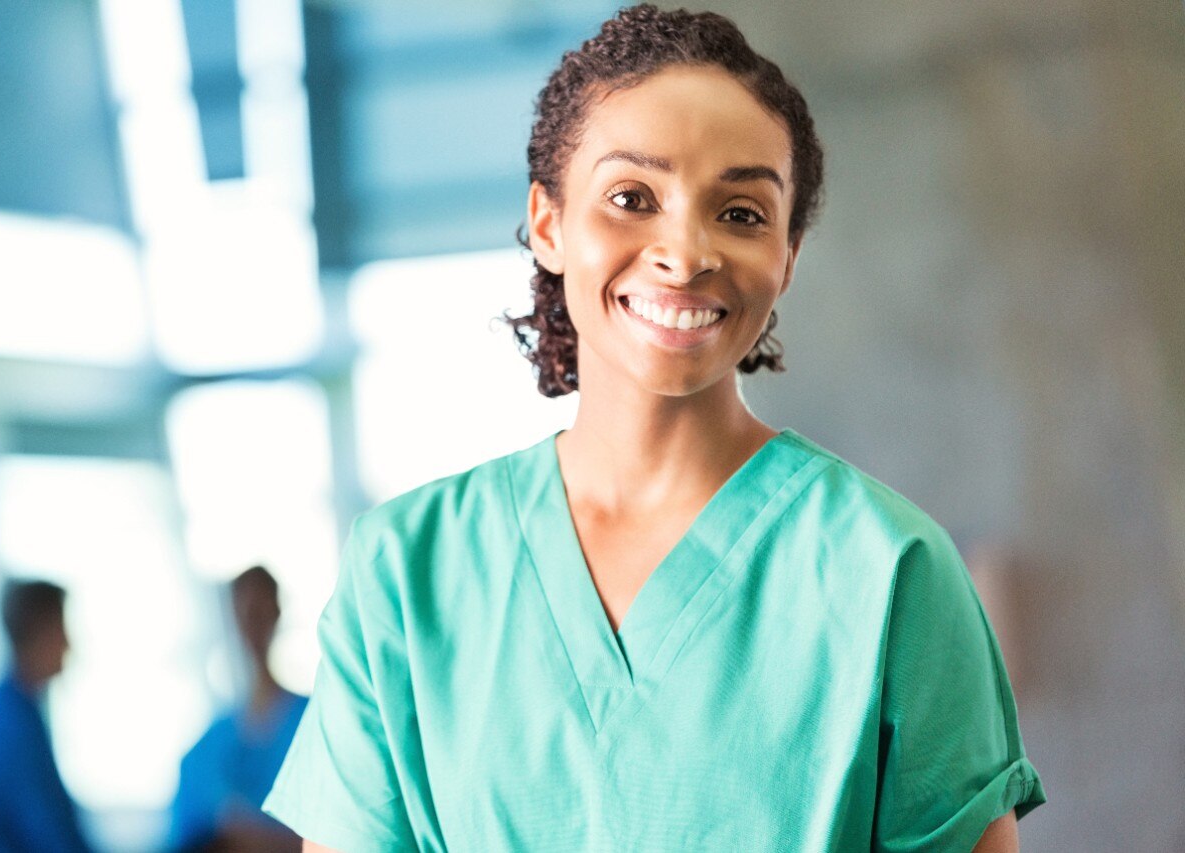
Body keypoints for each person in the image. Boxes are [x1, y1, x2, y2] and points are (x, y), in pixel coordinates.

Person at [263, 5, 1046, 851]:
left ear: (787, 257)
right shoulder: (405, 574)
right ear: (550, 222)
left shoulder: (891, 571)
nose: (684, 252)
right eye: (632, 197)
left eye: (741, 212)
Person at [168, 566, 306, 853]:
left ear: (277, 612)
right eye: (245, 614)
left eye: (260, 611)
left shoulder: (312, 722)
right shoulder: (211, 744)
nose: (252, 625)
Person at [0, 579, 94, 853]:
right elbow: (52, 838)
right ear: (38, 633)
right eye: (61, 628)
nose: (68, 643)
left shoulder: (19, 710)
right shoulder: (11, 728)